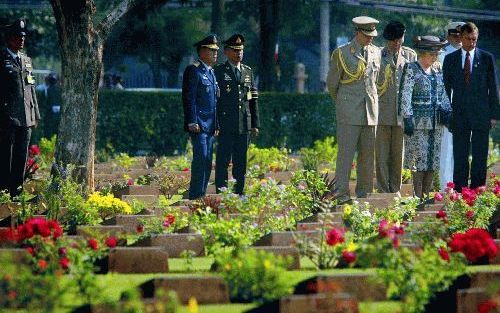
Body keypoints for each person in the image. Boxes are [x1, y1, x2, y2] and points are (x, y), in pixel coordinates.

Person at [327, 16, 381, 203]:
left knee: (368, 157)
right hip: (349, 112)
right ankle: (341, 194)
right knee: (346, 156)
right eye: (367, 35)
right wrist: (344, 104)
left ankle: (365, 195)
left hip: (370, 112)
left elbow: (375, 82)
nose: (370, 38)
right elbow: (332, 85)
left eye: (372, 35)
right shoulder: (341, 53)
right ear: (357, 32)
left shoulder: (376, 52)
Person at [443, 22, 499, 192]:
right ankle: (460, 189)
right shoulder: (450, 59)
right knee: (460, 153)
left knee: (480, 153)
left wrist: (495, 115)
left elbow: (493, 87)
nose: (472, 42)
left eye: (474, 39)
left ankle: (477, 189)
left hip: (482, 113)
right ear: (461, 37)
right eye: (468, 39)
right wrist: (446, 112)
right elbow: (445, 88)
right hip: (459, 114)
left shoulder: (487, 58)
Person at [399, 36, 452, 199]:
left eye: (436, 54)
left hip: (436, 122)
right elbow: (406, 94)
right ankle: (417, 195)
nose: (435, 57)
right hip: (417, 123)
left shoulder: (438, 70)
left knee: (432, 161)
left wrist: (448, 112)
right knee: (418, 160)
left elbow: (443, 94)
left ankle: (426, 195)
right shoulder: (411, 68)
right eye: (432, 54)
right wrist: (407, 117)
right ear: (423, 53)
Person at [214, 34, 259, 195]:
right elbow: (216, 101)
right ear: (226, 52)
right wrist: (215, 124)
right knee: (223, 161)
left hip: (243, 124)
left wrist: (255, 123)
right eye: (234, 50)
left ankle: (239, 194)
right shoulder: (219, 71)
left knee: (241, 162)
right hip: (225, 124)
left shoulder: (247, 71)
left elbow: (252, 99)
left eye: (241, 50)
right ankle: (222, 193)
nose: (238, 53)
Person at [375, 21, 417, 194]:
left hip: (402, 114)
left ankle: (395, 191)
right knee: (382, 155)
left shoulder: (410, 56)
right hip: (382, 112)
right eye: (393, 40)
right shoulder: (378, 55)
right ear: (387, 40)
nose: (396, 43)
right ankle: (384, 190)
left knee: (398, 155)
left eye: (399, 39)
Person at [0, 19, 40, 196]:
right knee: (5, 157)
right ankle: (3, 193)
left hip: (26, 117)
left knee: (21, 157)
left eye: (23, 37)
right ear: (9, 39)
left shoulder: (27, 61)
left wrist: (35, 115)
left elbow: (31, 88)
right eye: (18, 37)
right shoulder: (2, 59)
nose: (22, 40)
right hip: (7, 118)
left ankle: (16, 193)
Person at [182, 35, 220, 200]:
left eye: (216, 51)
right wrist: (192, 120)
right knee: (201, 159)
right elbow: (188, 98)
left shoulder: (211, 72)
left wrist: (217, 124)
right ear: (203, 51)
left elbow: (214, 103)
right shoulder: (193, 70)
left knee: (207, 161)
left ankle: (201, 195)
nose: (215, 54)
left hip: (210, 126)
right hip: (198, 125)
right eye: (212, 51)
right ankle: (195, 195)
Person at [437, 21, 465, 192]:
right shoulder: (442, 55)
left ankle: (461, 187)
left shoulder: (469, 55)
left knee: (462, 149)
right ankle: (446, 187)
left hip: (465, 108)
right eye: (455, 36)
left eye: (461, 36)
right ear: (448, 36)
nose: (458, 39)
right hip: (448, 107)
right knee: (446, 149)